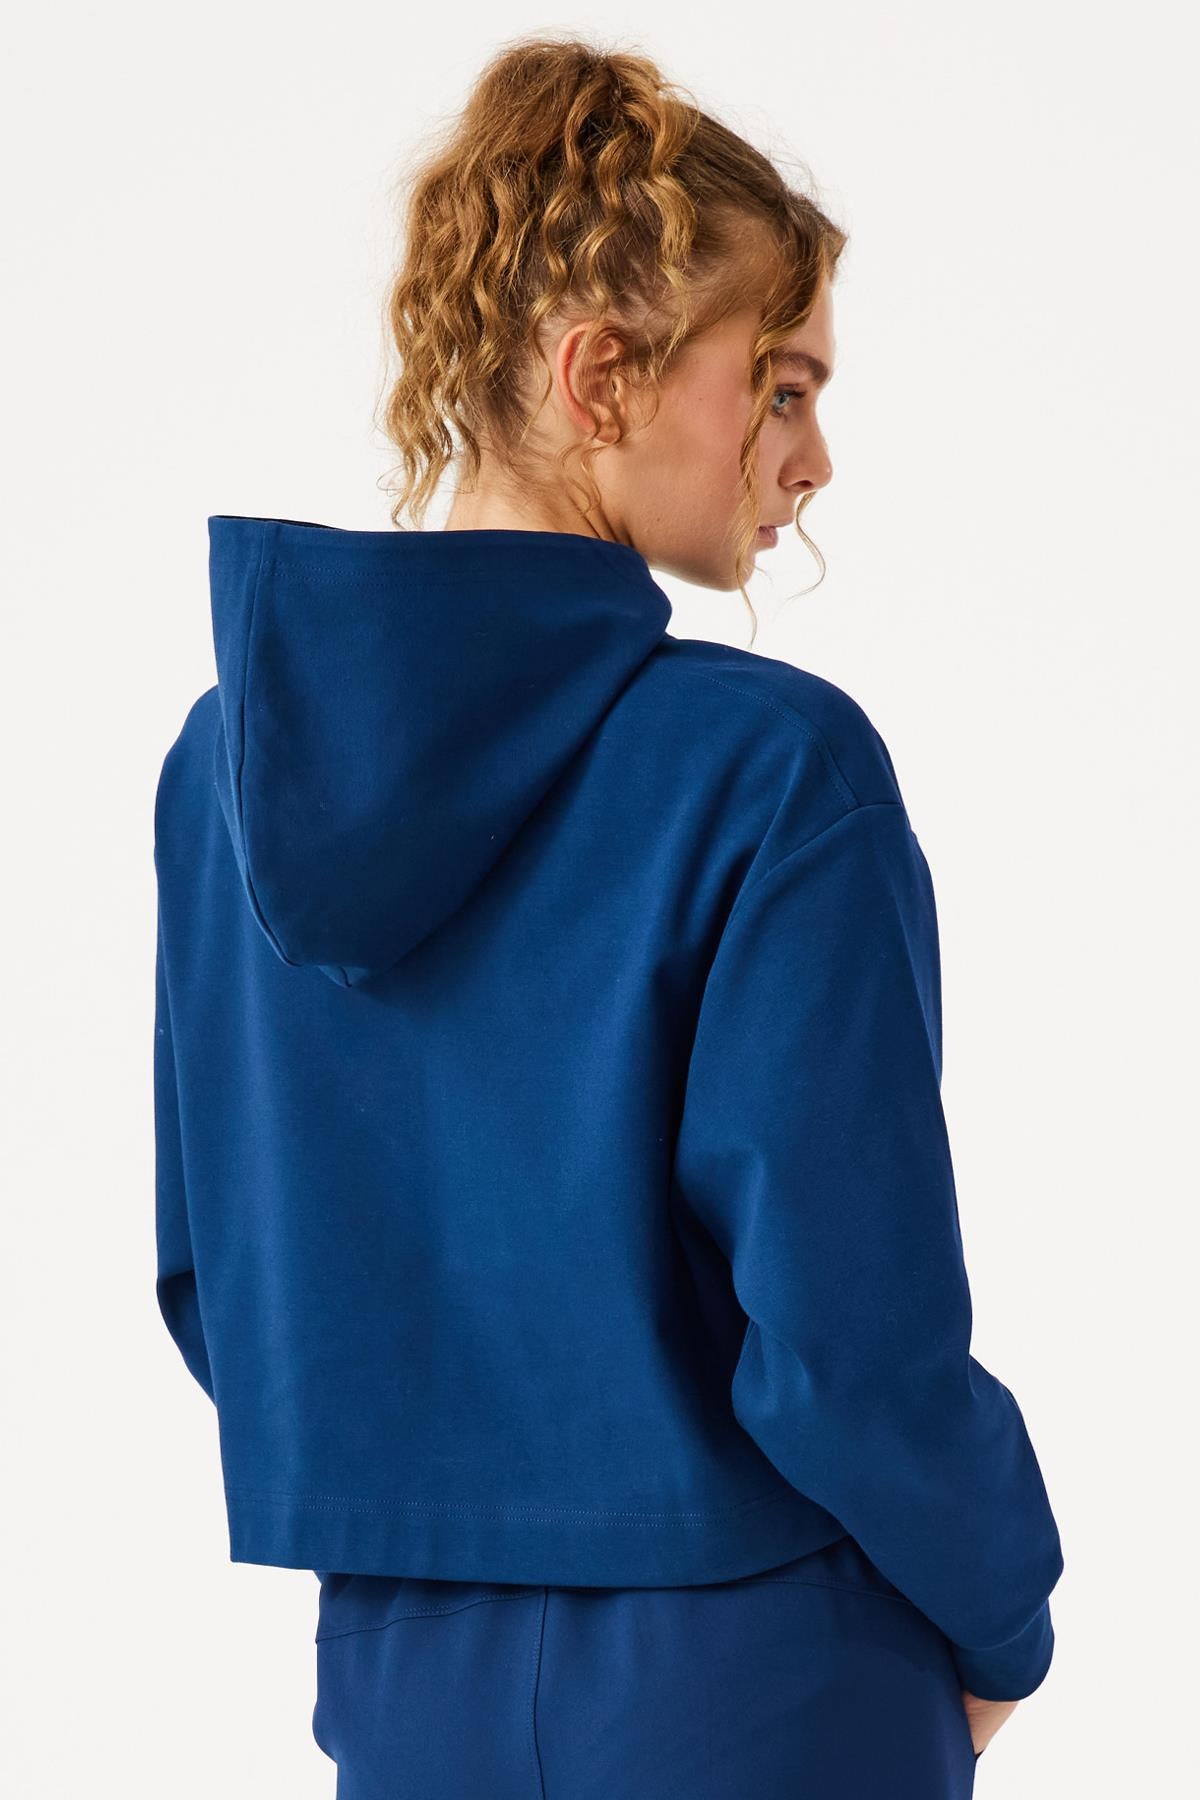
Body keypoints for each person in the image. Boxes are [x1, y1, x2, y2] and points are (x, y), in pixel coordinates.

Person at [152, 35, 1064, 1798]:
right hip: (773, 1679)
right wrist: (1003, 1617)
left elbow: (220, 1284)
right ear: (601, 374)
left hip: (403, 1691)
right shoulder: (773, 769)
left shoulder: (222, 774)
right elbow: (849, 1343)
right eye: (779, 387)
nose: (812, 458)